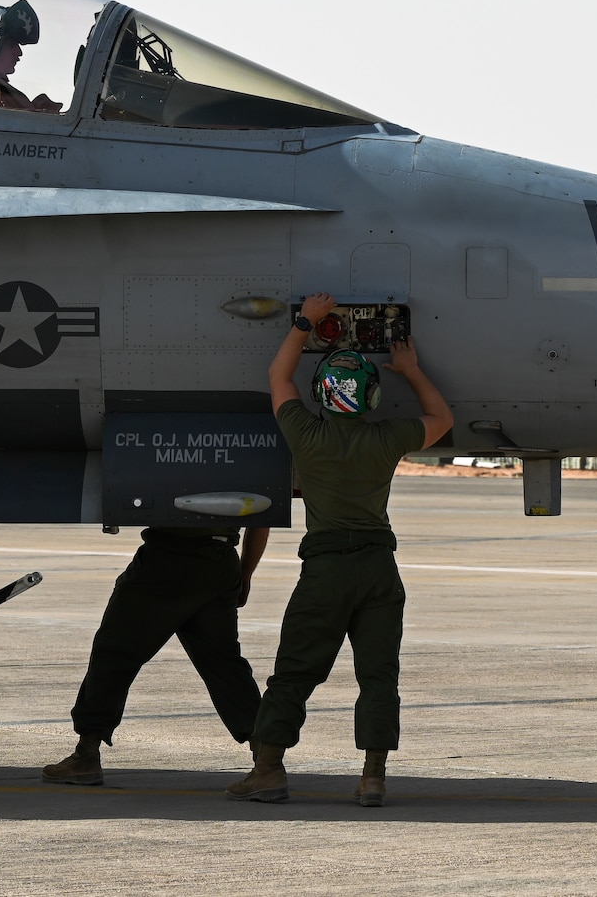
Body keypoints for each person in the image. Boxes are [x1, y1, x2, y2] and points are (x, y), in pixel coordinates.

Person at [227, 292, 453, 807]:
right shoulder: (387, 438)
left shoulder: (305, 434)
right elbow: (441, 419)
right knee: (378, 675)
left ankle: (268, 771)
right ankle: (372, 778)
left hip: (325, 571)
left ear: (323, 396)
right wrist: (410, 370)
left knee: (294, 673)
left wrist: (306, 321)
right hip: (378, 570)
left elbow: (279, 378)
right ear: (370, 397)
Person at [41, 522, 272, 785]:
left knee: (114, 653)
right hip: (219, 561)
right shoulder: (241, 478)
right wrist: (245, 572)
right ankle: (267, 760)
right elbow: (261, 518)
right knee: (224, 665)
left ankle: (87, 752)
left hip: (165, 558)